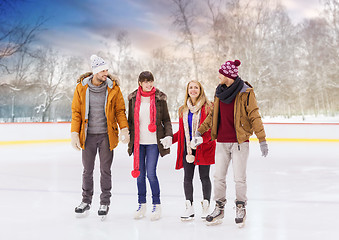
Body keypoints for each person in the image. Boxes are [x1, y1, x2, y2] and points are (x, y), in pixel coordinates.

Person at [192, 59, 268, 227]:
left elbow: (254, 115)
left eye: (221, 73)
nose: (218, 76)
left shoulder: (246, 92)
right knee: (218, 177)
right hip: (222, 142)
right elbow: (213, 116)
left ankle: (241, 207)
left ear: (228, 75)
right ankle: (219, 208)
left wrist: (262, 140)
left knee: (239, 178)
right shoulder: (219, 92)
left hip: (239, 142)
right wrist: (201, 130)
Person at [71, 55, 129, 219]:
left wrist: (124, 129)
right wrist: (75, 133)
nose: (106, 73)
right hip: (88, 136)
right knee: (87, 170)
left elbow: (119, 111)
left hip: (106, 135)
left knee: (105, 170)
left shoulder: (113, 88)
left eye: (106, 70)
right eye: (103, 70)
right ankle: (86, 201)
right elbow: (76, 112)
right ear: (95, 71)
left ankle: (104, 202)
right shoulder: (81, 88)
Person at [127, 71, 173, 221]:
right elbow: (130, 121)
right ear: (140, 83)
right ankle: (141, 204)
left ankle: (157, 205)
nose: (148, 84)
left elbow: (166, 120)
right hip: (138, 143)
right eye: (145, 82)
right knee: (139, 175)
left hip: (154, 142)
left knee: (151, 174)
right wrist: (125, 133)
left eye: (150, 81)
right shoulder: (133, 99)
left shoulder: (160, 98)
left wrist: (168, 135)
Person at [172, 80, 216, 221]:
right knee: (187, 178)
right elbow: (182, 132)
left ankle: (206, 206)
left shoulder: (208, 107)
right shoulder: (182, 110)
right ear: (187, 91)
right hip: (188, 149)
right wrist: (169, 139)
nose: (193, 90)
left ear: (200, 90)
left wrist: (203, 139)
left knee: (204, 177)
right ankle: (189, 207)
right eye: (190, 88)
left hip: (203, 147)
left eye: (196, 87)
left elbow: (213, 129)